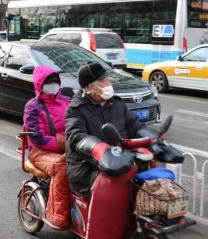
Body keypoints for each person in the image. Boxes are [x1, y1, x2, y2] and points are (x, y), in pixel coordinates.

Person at [65, 62, 159, 197]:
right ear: (92, 87)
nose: (109, 83)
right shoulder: (76, 109)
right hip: (88, 168)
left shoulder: (116, 103)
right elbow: (77, 137)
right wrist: (101, 150)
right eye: (104, 81)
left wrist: (154, 140)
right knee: (116, 184)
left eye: (108, 79)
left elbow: (135, 125)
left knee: (153, 179)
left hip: (122, 159)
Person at [23, 65, 71, 228]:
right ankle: (58, 214)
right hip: (41, 152)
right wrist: (63, 144)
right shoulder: (33, 106)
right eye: (48, 83)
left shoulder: (66, 101)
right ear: (40, 85)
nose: (53, 86)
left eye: (55, 82)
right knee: (62, 166)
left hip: (70, 147)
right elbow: (38, 138)